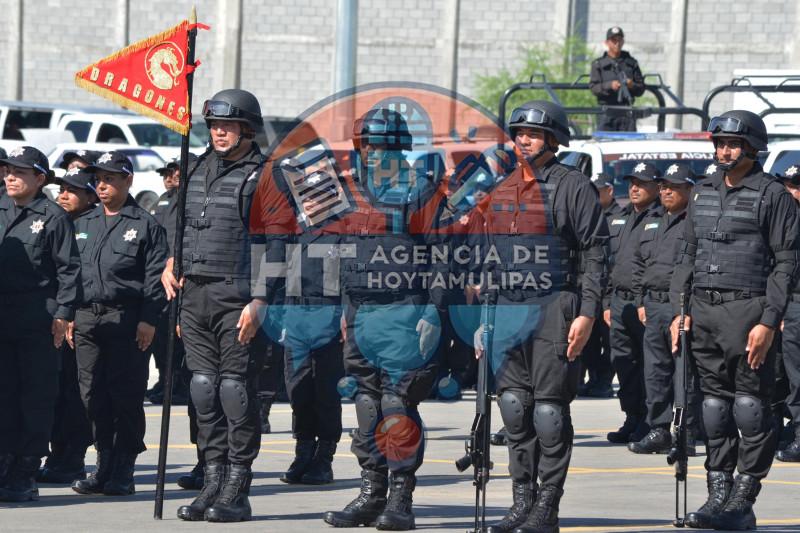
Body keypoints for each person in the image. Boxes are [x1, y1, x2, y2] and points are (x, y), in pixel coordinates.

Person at [477, 101, 608, 533]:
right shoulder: (503, 188)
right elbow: (491, 257)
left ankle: (547, 506)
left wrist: (587, 313)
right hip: (508, 307)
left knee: (549, 413)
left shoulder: (573, 186)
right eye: (518, 134)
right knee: (514, 408)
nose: (523, 140)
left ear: (553, 139)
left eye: (532, 134)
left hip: (555, 305)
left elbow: (595, 253)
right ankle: (522, 500)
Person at [670, 111, 799, 530]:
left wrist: (768, 320)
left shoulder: (773, 195)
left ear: (752, 147)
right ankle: (718, 495)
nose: (724, 151)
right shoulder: (702, 192)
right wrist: (679, 309)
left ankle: (743, 500)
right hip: (703, 312)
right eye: (720, 143)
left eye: (733, 144)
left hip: (749, 312)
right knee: (713, 408)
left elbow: (786, 264)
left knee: (750, 408)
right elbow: (687, 255)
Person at [322, 107, 444, 530]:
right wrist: (344, 308)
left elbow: (442, 256)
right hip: (361, 312)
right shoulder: (352, 192)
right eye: (365, 145)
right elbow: (342, 254)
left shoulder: (420, 190)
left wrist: (434, 310)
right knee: (367, 403)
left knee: (397, 404)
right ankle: (370, 495)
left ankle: (400, 499)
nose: (371, 152)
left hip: (404, 311)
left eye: (379, 144)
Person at [163, 89, 268, 523]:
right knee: (203, 388)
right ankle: (212, 479)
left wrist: (261, 298)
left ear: (247, 129)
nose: (219, 133)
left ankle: (236, 488)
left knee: (233, 390)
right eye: (213, 126)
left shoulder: (265, 175)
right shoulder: (195, 167)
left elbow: (280, 242)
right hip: (194, 294)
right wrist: (172, 261)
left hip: (237, 296)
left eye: (227, 126)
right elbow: (179, 223)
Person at [70, 151, 167, 496]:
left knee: (125, 394)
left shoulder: (146, 225)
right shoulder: (84, 222)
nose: (102, 185)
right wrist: (68, 314)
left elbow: (155, 277)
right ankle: (104, 461)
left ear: (128, 181)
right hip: (87, 317)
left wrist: (149, 319)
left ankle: (124, 465)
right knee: (91, 394)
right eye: (99, 179)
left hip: (127, 319)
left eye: (110, 179)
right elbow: (70, 273)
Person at [0, 146, 82, 502]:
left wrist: (63, 314)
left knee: (35, 397)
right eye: (8, 171)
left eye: (19, 172)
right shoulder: (1, 207)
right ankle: (4, 461)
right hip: (3, 319)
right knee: (4, 396)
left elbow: (69, 270)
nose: (11, 177)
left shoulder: (53, 217)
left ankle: (26, 469)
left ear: (39, 179)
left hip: (38, 320)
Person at [628, 164, 702, 455]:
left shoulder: (695, 222)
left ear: (690, 190)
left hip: (681, 307)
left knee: (683, 373)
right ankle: (658, 429)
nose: (666, 191)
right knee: (654, 372)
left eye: (674, 187)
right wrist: (640, 301)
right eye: (663, 186)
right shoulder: (652, 220)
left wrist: (686, 309)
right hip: (653, 306)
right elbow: (638, 263)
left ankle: (686, 432)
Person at [36, 167, 98, 484]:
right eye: (61, 189)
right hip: (56, 320)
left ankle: (72, 458)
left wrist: (71, 313)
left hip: (82, 320)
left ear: (90, 196)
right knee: (56, 394)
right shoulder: (56, 221)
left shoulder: (95, 224)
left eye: (72, 190)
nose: (63, 195)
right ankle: (56, 455)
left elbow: (84, 276)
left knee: (76, 395)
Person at [606, 163, 661, 444]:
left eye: (642, 183)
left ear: (657, 187)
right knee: (623, 363)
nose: (634, 188)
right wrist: (606, 302)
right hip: (619, 302)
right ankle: (632, 416)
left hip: (645, 304)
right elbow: (607, 262)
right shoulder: (620, 217)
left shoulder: (662, 218)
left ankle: (650, 421)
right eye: (632, 183)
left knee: (650, 366)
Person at [147, 154, 197, 406]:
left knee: (180, 337)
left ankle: (180, 384)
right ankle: (167, 381)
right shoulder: (164, 200)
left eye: (177, 171)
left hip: (182, 275)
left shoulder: (191, 200)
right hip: (161, 273)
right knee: (162, 336)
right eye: (168, 172)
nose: (172, 176)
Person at [579, 173, 620, 398]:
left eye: (598, 190)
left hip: (610, 289)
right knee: (590, 340)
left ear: (610, 191)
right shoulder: (588, 216)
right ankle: (594, 378)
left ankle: (604, 380)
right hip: (589, 286)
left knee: (610, 340)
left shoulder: (621, 217)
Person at [775, 165, 800, 463]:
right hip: (788, 304)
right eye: (788, 186)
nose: (791, 192)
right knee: (788, 375)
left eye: (796, 186)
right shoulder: (783, 220)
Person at [589, 26, 645, 132]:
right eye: (614, 40)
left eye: (619, 40)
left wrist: (631, 84)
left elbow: (641, 88)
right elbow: (593, 87)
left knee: (629, 142)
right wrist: (610, 85)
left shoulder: (631, 63)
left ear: (623, 41)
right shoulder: (598, 64)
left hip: (627, 113)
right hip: (606, 113)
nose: (617, 43)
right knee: (604, 141)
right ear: (607, 43)